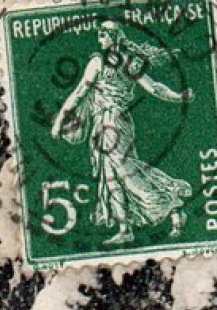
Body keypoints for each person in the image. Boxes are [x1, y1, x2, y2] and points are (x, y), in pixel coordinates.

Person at [50, 21, 194, 246]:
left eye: (102, 35)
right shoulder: (112, 62)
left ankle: (172, 204)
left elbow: (153, 87)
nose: (99, 40)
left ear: (113, 36)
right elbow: (80, 92)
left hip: (116, 122)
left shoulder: (116, 62)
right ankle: (125, 228)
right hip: (102, 123)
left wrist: (178, 97)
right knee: (110, 176)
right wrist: (60, 119)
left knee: (127, 171)